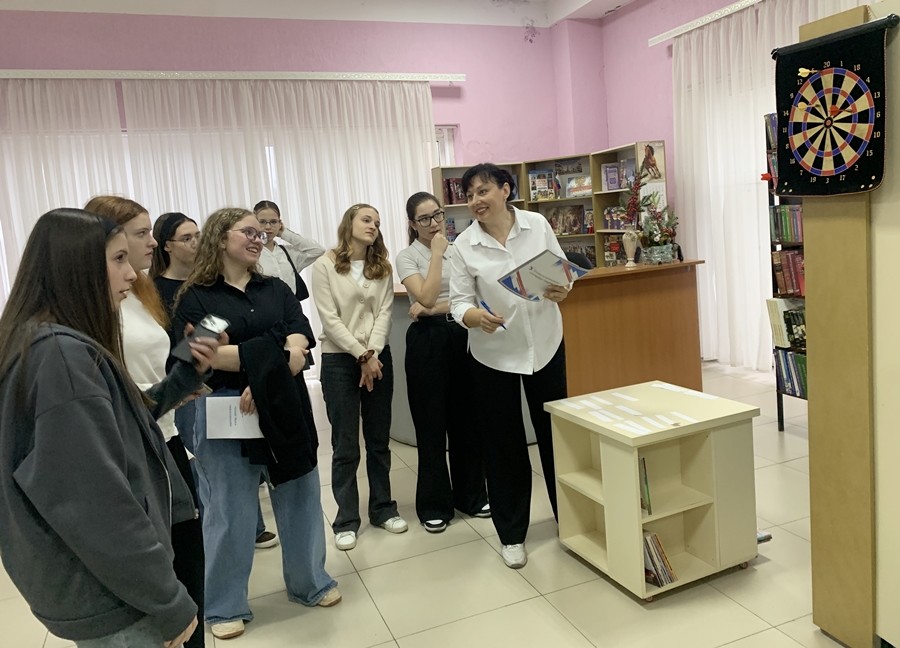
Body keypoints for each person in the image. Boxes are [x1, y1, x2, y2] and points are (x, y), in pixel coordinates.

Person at [0, 208, 221, 648]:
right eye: (118, 259)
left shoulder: (44, 341)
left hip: (109, 586)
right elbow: (96, 505)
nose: (131, 272)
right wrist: (168, 601)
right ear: (78, 268)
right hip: (117, 597)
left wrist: (183, 377)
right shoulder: (60, 356)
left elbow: (120, 423)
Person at [174, 208, 338, 641]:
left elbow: (301, 335)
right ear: (219, 238)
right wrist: (275, 359)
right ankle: (224, 604)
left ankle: (310, 582)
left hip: (285, 402)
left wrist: (264, 367)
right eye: (247, 231)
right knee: (230, 509)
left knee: (300, 492)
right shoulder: (200, 298)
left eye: (261, 232)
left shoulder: (275, 288)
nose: (258, 237)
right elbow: (203, 354)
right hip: (228, 407)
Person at [84, 196, 208, 648]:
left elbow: (149, 368)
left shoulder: (139, 290)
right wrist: (167, 391)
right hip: (134, 448)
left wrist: (183, 373)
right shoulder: (94, 306)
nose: (152, 241)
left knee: (191, 570)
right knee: (166, 578)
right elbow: (113, 396)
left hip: (167, 438)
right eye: (139, 234)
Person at [449, 163, 570, 569]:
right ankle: (512, 534)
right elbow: (458, 302)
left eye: (483, 191)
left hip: (546, 344)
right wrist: (473, 317)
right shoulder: (464, 245)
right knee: (503, 444)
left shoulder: (537, 225)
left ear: (505, 190)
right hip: (494, 353)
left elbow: (560, 274)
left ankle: (571, 521)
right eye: (469, 195)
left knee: (556, 437)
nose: (475, 201)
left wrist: (563, 288)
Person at [150, 211, 278, 551]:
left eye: (196, 235)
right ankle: (217, 532)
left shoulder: (223, 287)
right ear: (166, 246)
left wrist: (254, 363)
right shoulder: (179, 293)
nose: (194, 242)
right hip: (190, 387)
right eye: (186, 238)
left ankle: (254, 526)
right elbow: (193, 350)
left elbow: (277, 338)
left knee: (249, 465)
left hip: (232, 384)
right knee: (212, 468)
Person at [312, 204, 406, 551]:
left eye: (377, 223)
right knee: (345, 444)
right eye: (366, 220)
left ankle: (383, 509)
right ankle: (346, 520)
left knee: (379, 439)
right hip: (339, 361)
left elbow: (384, 314)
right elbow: (329, 319)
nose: (373, 226)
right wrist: (361, 355)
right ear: (348, 223)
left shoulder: (381, 266)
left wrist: (373, 354)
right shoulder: (324, 265)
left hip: (378, 359)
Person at [395, 192, 489, 533]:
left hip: (463, 333)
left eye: (437, 215)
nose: (434, 223)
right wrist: (436, 254)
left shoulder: (461, 248)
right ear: (412, 224)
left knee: (467, 421)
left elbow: (475, 295)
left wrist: (434, 307)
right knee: (431, 423)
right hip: (427, 342)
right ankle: (434, 504)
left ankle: (472, 496)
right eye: (424, 219)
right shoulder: (407, 256)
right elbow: (426, 293)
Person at [254, 199, 326, 307]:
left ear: (280, 223)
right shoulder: (251, 254)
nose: (268, 227)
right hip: (264, 310)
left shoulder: (288, 253)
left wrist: (285, 233)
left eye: (273, 222)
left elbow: (318, 250)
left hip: (292, 310)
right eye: (262, 222)